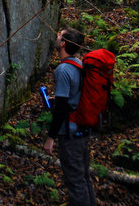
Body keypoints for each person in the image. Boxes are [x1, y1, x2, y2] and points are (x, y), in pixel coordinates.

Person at [43, 28, 96, 206]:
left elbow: (62, 110)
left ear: (63, 43)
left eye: (59, 35)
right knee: (83, 178)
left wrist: (50, 138)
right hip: (82, 130)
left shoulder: (63, 70)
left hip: (70, 133)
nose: (56, 37)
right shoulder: (79, 65)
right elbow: (75, 96)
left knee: (75, 182)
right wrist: (57, 99)